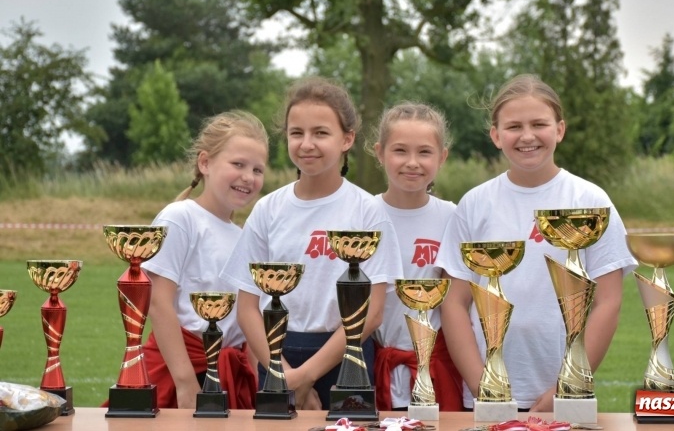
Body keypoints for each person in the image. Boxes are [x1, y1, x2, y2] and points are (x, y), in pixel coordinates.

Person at [435, 74, 637, 412]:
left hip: (563, 396)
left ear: (559, 129)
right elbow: (454, 303)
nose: (527, 136)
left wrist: (568, 385)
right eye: (514, 126)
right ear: (496, 136)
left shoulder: (590, 200)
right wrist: (482, 385)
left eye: (539, 124)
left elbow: (608, 302)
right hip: (487, 395)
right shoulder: (474, 204)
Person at [220, 76, 404, 410]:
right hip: (277, 359)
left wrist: (306, 376)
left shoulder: (368, 211)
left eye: (321, 133)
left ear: (347, 138)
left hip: (347, 357)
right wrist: (283, 374)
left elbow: (373, 312)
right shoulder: (268, 209)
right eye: (296, 133)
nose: (307, 144)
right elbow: (247, 307)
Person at [141, 110, 268, 409]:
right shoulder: (180, 217)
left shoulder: (245, 236)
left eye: (258, 169)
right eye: (238, 164)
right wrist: (185, 382)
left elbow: (246, 321)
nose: (248, 177)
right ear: (205, 162)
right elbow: (158, 303)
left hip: (230, 376)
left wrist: (259, 385)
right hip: (179, 372)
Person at [369, 102, 464, 412]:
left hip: (437, 370)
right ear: (380, 152)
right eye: (400, 151)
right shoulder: (361, 216)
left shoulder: (453, 217)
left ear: (442, 157)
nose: (412, 163)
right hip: (376, 365)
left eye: (424, 152)